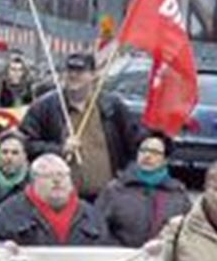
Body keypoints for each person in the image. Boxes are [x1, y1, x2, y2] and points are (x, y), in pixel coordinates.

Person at [20, 52, 137, 201]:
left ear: (93, 75)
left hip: (106, 199)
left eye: (80, 71)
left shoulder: (112, 107)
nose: (73, 75)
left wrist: (124, 179)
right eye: (70, 70)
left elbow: (135, 145)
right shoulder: (45, 107)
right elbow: (26, 144)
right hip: (60, 200)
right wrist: (59, 149)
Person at [96, 132, 192, 248]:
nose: (147, 156)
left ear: (165, 159)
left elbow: (188, 233)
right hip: (123, 260)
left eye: (155, 152)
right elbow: (98, 228)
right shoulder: (115, 189)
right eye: (143, 150)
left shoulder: (178, 194)